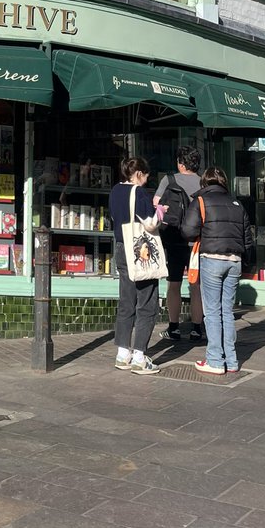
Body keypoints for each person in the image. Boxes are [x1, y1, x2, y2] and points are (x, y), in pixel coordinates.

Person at [181, 165, 255, 375]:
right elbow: (247, 238)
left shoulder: (201, 201)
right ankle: (231, 360)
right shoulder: (237, 204)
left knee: (212, 312)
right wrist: (247, 262)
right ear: (224, 182)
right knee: (227, 311)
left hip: (211, 259)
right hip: (234, 261)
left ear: (204, 182)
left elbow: (187, 230)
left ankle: (214, 360)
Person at [109, 156, 161, 375]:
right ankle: (140, 356)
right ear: (139, 173)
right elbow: (149, 223)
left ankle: (123, 354)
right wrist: (160, 211)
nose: (146, 181)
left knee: (126, 301)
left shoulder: (114, 191)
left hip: (121, 248)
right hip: (140, 250)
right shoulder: (138, 192)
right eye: (146, 176)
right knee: (147, 303)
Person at [154, 147, 204, 344]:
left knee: (173, 285)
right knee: (196, 286)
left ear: (180, 163)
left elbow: (156, 204)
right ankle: (197, 329)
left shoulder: (169, 180)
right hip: (196, 243)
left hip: (174, 240)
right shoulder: (203, 182)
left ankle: (173, 327)